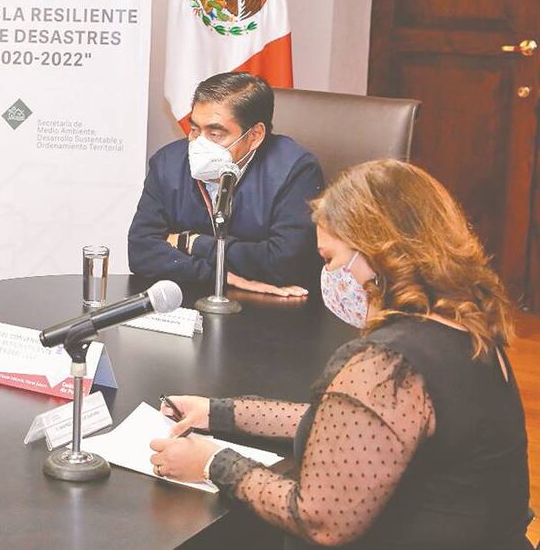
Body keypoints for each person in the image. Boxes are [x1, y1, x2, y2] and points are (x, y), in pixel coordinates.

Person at [150, 160, 530, 549]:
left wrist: (213, 463)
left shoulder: (390, 364)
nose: (329, 275)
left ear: (376, 252)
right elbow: (353, 425)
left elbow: (319, 518)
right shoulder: (466, 330)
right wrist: (219, 412)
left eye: (330, 259)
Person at [128, 72, 324, 296]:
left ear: (255, 135)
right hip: (192, 295)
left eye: (215, 133)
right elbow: (140, 251)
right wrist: (220, 276)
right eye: (194, 130)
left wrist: (192, 242)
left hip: (271, 304)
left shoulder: (296, 170)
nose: (199, 143)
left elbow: (284, 262)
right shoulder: (168, 163)